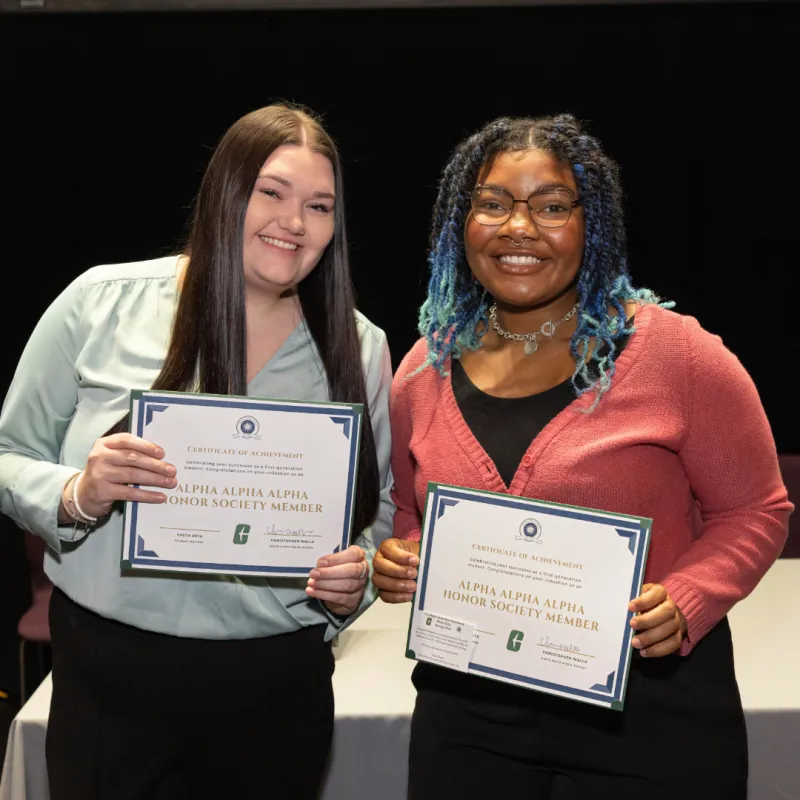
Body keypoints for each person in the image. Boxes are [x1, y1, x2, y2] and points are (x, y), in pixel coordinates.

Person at [372, 113, 791, 799]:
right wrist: (403, 556)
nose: (518, 228)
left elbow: (755, 510)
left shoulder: (677, 355)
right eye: (493, 203)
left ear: (591, 225)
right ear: (461, 222)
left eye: (553, 207)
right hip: (470, 723)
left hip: (650, 721)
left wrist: (687, 601)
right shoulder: (424, 366)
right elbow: (412, 511)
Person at [0, 104, 394, 799]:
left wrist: (354, 575)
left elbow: (378, 505)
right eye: (271, 192)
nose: (294, 222)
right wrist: (76, 494)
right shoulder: (102, 303)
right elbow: (8, 453)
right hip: (111, 679)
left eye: (320, 205)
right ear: (224, 190)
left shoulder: (359, 347)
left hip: (275, 688)